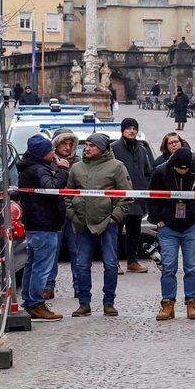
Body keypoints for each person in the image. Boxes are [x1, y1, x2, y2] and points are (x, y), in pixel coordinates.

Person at [64, 132, 130, 317]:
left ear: (101, 148)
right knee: (82, 264)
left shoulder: (117, 167)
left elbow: (126, 195)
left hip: (107, 223)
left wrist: (115, 216)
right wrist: (73, 215)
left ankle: (109, 302)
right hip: (82, 223)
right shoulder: (76, 168)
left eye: (92, 145)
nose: (87, 148)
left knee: (110, 263)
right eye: (87, 145)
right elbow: (67, 194)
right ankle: (84, 303)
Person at [147, 147, 195, 320]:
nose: (183, 171)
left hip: (191, 225)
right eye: (179, 168)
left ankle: (192, 303)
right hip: (168, 227)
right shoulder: (161, 171)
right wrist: (157, 218)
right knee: (168, 267)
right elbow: (151, 196)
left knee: (191, 267)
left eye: (186, 168)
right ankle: (167, 303)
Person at [14, 135, 67, 320]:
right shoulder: (38, 169)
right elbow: (52, 188)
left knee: (32, 265)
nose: (53, 153)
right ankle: (36, 303)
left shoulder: (30, 168)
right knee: (41, 267)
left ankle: (30, 301)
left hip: (36, 224)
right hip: (44, 225)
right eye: (50, 150)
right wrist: (62, 170)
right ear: (42, 153)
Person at [110, 119, 156, 272]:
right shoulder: (114, 148)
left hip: (138, 197)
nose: (131, 131)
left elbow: (148, 171)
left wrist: (146, 188)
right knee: (115, 233)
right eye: (128, 128)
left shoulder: (141, 149)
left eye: (134, 128)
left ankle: (132, 261)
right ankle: (114, 262)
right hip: (119, 199)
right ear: (122, 130)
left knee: (134, 233)